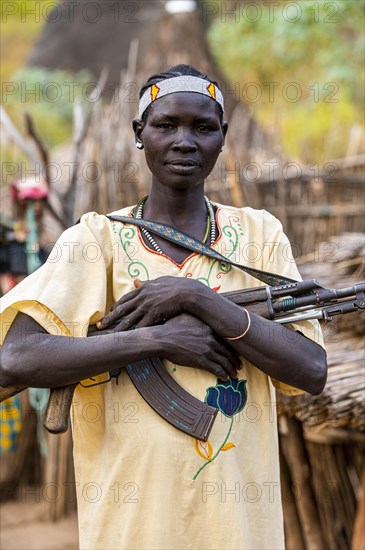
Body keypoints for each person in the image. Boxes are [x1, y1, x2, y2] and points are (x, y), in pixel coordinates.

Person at [0, 65, 327, 550]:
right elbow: (15, 357)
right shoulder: (97, 240)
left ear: (223, 137)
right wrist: (154, 340)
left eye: (203, 128)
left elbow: (311, 369)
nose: (184, 141)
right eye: (165, 125)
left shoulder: (260, 235)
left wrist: (196, 298)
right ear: (139, 134)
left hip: (238, 530)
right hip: (130, 529)